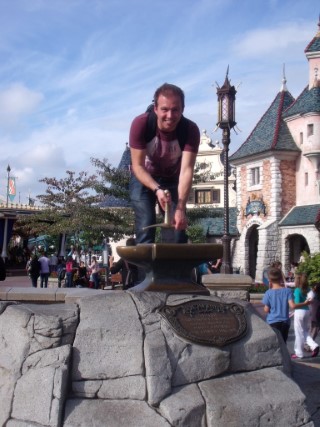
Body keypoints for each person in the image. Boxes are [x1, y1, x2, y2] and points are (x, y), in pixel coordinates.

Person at [129, 83, 200, 244]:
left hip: (172, 179)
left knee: (177, 229)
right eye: (165, 109)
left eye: (175, 110)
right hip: (144, 178)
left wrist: (181, 207)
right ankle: (145, 268)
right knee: (146, 224)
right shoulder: (141, 124)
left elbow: (187, 170)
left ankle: (175, 268)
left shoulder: (190, 130)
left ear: (182, 109)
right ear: (155, 108)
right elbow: (138, 166)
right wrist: (157, 189)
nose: (170, 115)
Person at [262, 267, 295, 343]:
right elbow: (291, 305)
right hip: (285, 321)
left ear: (269, 280)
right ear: (281, 278)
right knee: (283, 342)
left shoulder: (268, 293)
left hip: (272, 321)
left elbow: (266, 309)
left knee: (275, 344)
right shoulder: (288, 291)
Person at [291, 273, 319, 359]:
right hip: (307, 311)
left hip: (299, 311)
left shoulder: (297, 290)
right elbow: (312, 296)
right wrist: (307, 302)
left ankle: (299, 353)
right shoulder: (308, 289)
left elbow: (296, 303)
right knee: (305, 331)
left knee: (299, 332)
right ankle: (314, 345)